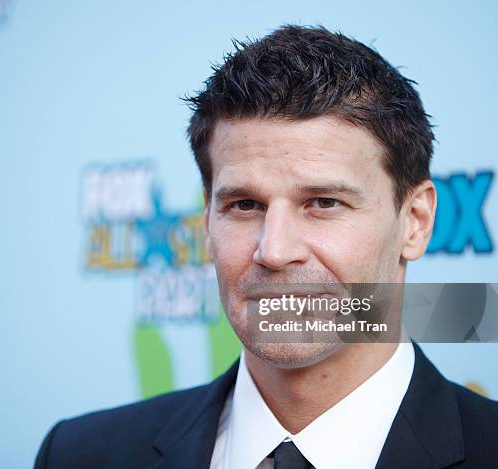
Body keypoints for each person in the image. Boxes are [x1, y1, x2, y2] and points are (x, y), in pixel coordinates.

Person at [34, 25, 498, 468]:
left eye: (323, 202)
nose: (274, 252)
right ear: (208, 221)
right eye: (244, 205)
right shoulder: (79, 455)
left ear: (414, 223)